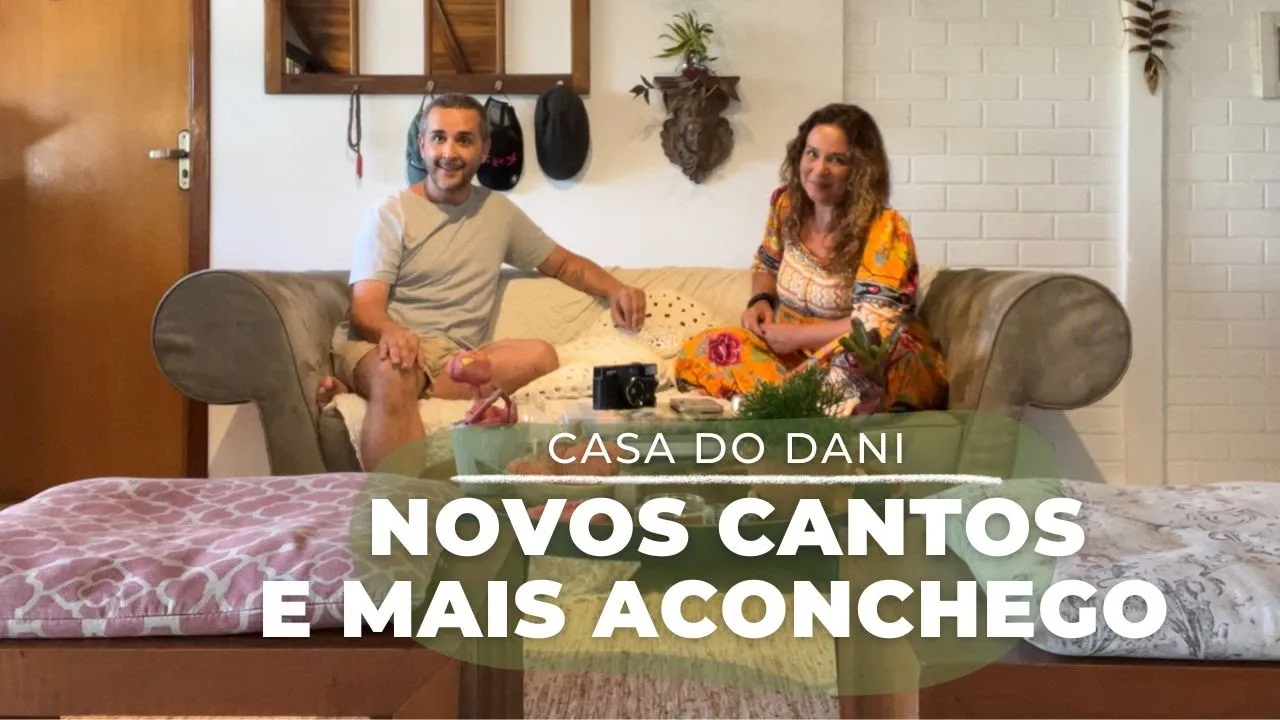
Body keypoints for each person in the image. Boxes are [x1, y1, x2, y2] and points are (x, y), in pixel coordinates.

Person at [317, 93, 647, 473]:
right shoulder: (390, 214)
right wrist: (393, 332)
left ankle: (376, 393)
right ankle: (403, 498)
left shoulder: (499, 213)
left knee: (540, 356)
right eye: (438, 138)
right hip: (382, 347)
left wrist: (616, 289)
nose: (449, 152)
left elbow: (562, 263)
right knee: (396, 374)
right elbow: (365, 308)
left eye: (464, 140)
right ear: (422, 145)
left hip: (453, 360)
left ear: (485, 149)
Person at [673, 103, 948, 413]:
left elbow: (874, 324)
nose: (819, 170)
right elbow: (766, 264)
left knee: (866, 356)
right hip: (793, 358)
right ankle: (792, 402)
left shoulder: (885, 228)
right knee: (708, 347)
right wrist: (760, 301)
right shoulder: (786, 205)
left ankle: (786, 404)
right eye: (812, 154)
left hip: (856, 355)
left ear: (860, 170)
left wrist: (798, 336)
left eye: (837, 160)